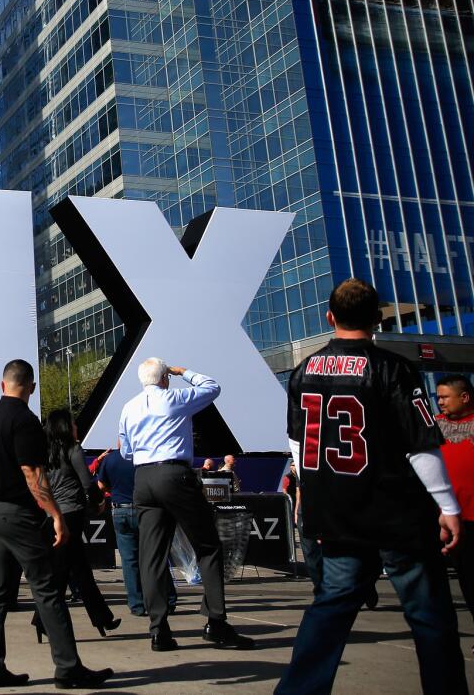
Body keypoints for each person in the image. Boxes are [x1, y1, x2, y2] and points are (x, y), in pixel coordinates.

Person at [277, 278, 467, 695]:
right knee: (429, 616)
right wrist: (448, 507)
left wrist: (313, 489)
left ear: (329, 317)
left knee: (330, 608)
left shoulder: (304, 371)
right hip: (396, 512)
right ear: (377, 318)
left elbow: (297, 443)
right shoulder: (393, 368)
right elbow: (422, 445)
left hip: (340, 513)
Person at [0, 359, 112, 690]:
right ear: (31, 387)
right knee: (46, 588)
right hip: (16, 514)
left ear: (2, 384)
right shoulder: (25, 421)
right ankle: (68, 668)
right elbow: (32, 473)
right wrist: (56, 515)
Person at [119, 357, 252, 651]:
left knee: (151, 556)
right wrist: (184, 373)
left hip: (143, 478)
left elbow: (127, 451)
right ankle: (216, 621)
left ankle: (158, 630)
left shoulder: (128, 407)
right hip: (174, 474)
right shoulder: (174, 397)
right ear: (165, 378)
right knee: (207, 546)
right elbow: (212, 387)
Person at [30, 410, 118, 640]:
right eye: (73, 424)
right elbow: (86, 482)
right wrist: (98, 502)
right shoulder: (73, 449)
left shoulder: (44, 452)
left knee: (77, 569)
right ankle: (43, 619)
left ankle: (102, 618)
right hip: (72, 513)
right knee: (66, 571)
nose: (77, 427)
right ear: (65, 427)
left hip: (52, 514)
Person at [98, 444, 177, 618]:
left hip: (121, 510)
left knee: (129, 560)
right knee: (156, 555)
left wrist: (117, 491)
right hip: (146, 509)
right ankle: (168, 599)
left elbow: (101, 485)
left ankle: (137, 604)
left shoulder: (110, 459)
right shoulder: (146, 457)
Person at [435, 374, 474, 632]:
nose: (440, 402)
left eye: (445, 397)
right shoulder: (433, 426)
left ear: (464, 397)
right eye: (437, 397)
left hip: (471, 515)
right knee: (465, 579)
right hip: (444, 516)